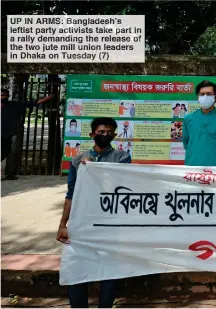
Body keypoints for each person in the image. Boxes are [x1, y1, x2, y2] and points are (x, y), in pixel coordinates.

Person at [56, 117, 130, 308]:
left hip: (109, 221)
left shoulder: (122, 158)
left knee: (109, 269)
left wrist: (93, 168)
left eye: (109, 133)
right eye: (101, 132)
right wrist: (63, 225)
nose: (105, 135)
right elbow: (71, 194)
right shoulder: (77, 160)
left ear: (114, 135)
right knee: (77, 266)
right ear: (92, 135)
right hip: (82, 221)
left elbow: (117, 186)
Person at [1, 89, 52, 178]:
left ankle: (10, 174)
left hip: (10, 133)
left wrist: (46, 99)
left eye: (5, 95)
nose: (3, 97)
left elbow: (31, 104)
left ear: (8, 96)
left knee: (8, 152)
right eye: (1, 95)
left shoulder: (13, 105)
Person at [182, 80, 216, 167]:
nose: (205, 97)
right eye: (202, 94)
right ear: (198, 97)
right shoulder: (188, 118)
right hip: (192, 166)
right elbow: (186, 143)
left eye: (209, 94)